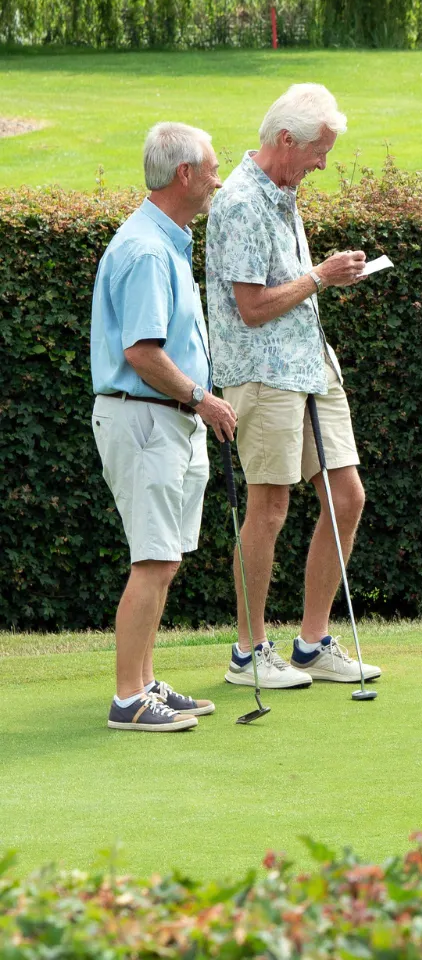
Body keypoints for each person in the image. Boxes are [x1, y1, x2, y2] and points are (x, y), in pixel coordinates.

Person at [206, 83, 382, 686]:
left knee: (347, 495)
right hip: (262, 373)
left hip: (310, 364)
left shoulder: (282, 191)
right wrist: (319, 277)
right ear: (286, 139)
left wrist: (324, 279)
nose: (322, 164)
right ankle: (248, 652)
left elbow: (290, 284)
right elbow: (251, 307)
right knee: (270, 507)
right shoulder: (238, 202)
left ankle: (312, 642)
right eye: (317, 151)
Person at [89, 122, 237, 731]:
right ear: (185, 175)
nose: (216, 180)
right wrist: (203, 398)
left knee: (166, 558)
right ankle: (128, 699)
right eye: (211, 169)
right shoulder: (148, 249)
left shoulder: (166, 239)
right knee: (152, 560)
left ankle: (145, 682)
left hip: (166, 421)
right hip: (146, 418)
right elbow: (142, 353)